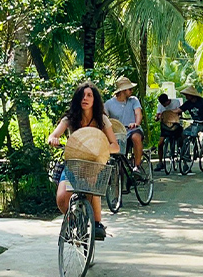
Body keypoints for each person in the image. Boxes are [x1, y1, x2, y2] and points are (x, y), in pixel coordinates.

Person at [48, 81, 119, 241]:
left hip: (94, 164)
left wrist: (101, 149)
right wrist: (53, 139)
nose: (85, 99)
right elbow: (54, 135)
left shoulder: (102, 120)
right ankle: (73, 221)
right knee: (61, 198)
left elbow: (115, 146)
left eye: (89, 95)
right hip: (73, 164)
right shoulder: (70, 118)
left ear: (95, 100)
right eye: (82, 95)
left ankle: (97, 223)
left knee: (91, 184)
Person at [103, 77, 144, 171]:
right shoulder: (109, 104)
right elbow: (104, 118)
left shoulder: (134, 100)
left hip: (132, 129)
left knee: (136, 137)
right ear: (123, 90)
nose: (132, 91)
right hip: (118, 133)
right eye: (130, 89)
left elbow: (138, 113)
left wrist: (136, 124)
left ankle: (137, 166)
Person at [155, 92, 183, 171]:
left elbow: (180, 112)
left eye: (164, 104)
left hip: (175, 125)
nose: (164, 106)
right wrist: (157, 117)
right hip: (165, 127)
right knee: (160, 144)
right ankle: (160, 162)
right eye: (162, 104)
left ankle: (183, 161)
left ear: (168, 101)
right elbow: (157, 115)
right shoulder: (160, 105)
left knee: (181, 140)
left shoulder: (176, 102)